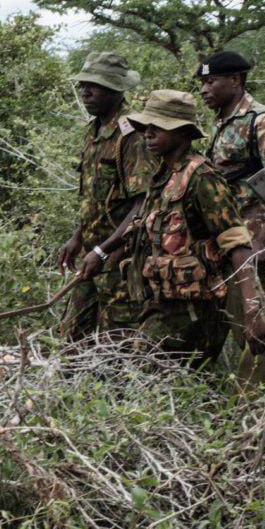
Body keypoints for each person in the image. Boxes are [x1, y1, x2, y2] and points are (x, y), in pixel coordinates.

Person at [123, 90, 265, 364]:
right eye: (146, 127)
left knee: (143, 374)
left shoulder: (202, 178)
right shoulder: (163, 176)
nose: (148, 134)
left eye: (158, 127)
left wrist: (252, 308)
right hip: (165, 304)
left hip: (195, 310)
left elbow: (236, 243)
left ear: (182, 132)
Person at [197, 51, 265, 377]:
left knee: (255, 322)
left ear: (235, 80)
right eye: (202, 83)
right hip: (226, 235)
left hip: (251, 238)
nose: (204, 89)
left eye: (211, 82)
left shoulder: (260, 120)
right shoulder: (223, 120)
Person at [57, 52, 156, 338]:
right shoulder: (94, 130)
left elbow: (143, 202)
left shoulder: (132, 136)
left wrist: (103, 250)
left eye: (94, 86)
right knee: (71, 339)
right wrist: (78, 237)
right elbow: (94, 197)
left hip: (120, 260)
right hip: (92, 256)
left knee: (117, 345)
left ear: (115, 90)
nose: (85, 92)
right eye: (83, 85)